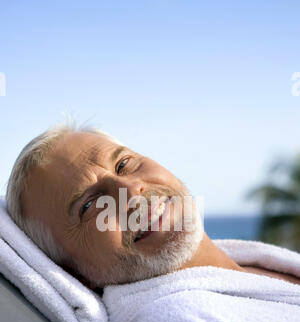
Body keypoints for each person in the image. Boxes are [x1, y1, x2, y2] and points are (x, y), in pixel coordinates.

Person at [5, 122, 300, 289]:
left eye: (123, 164)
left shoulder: (257, 268)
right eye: (89, 204)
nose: (131, 190)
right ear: (77, 274)